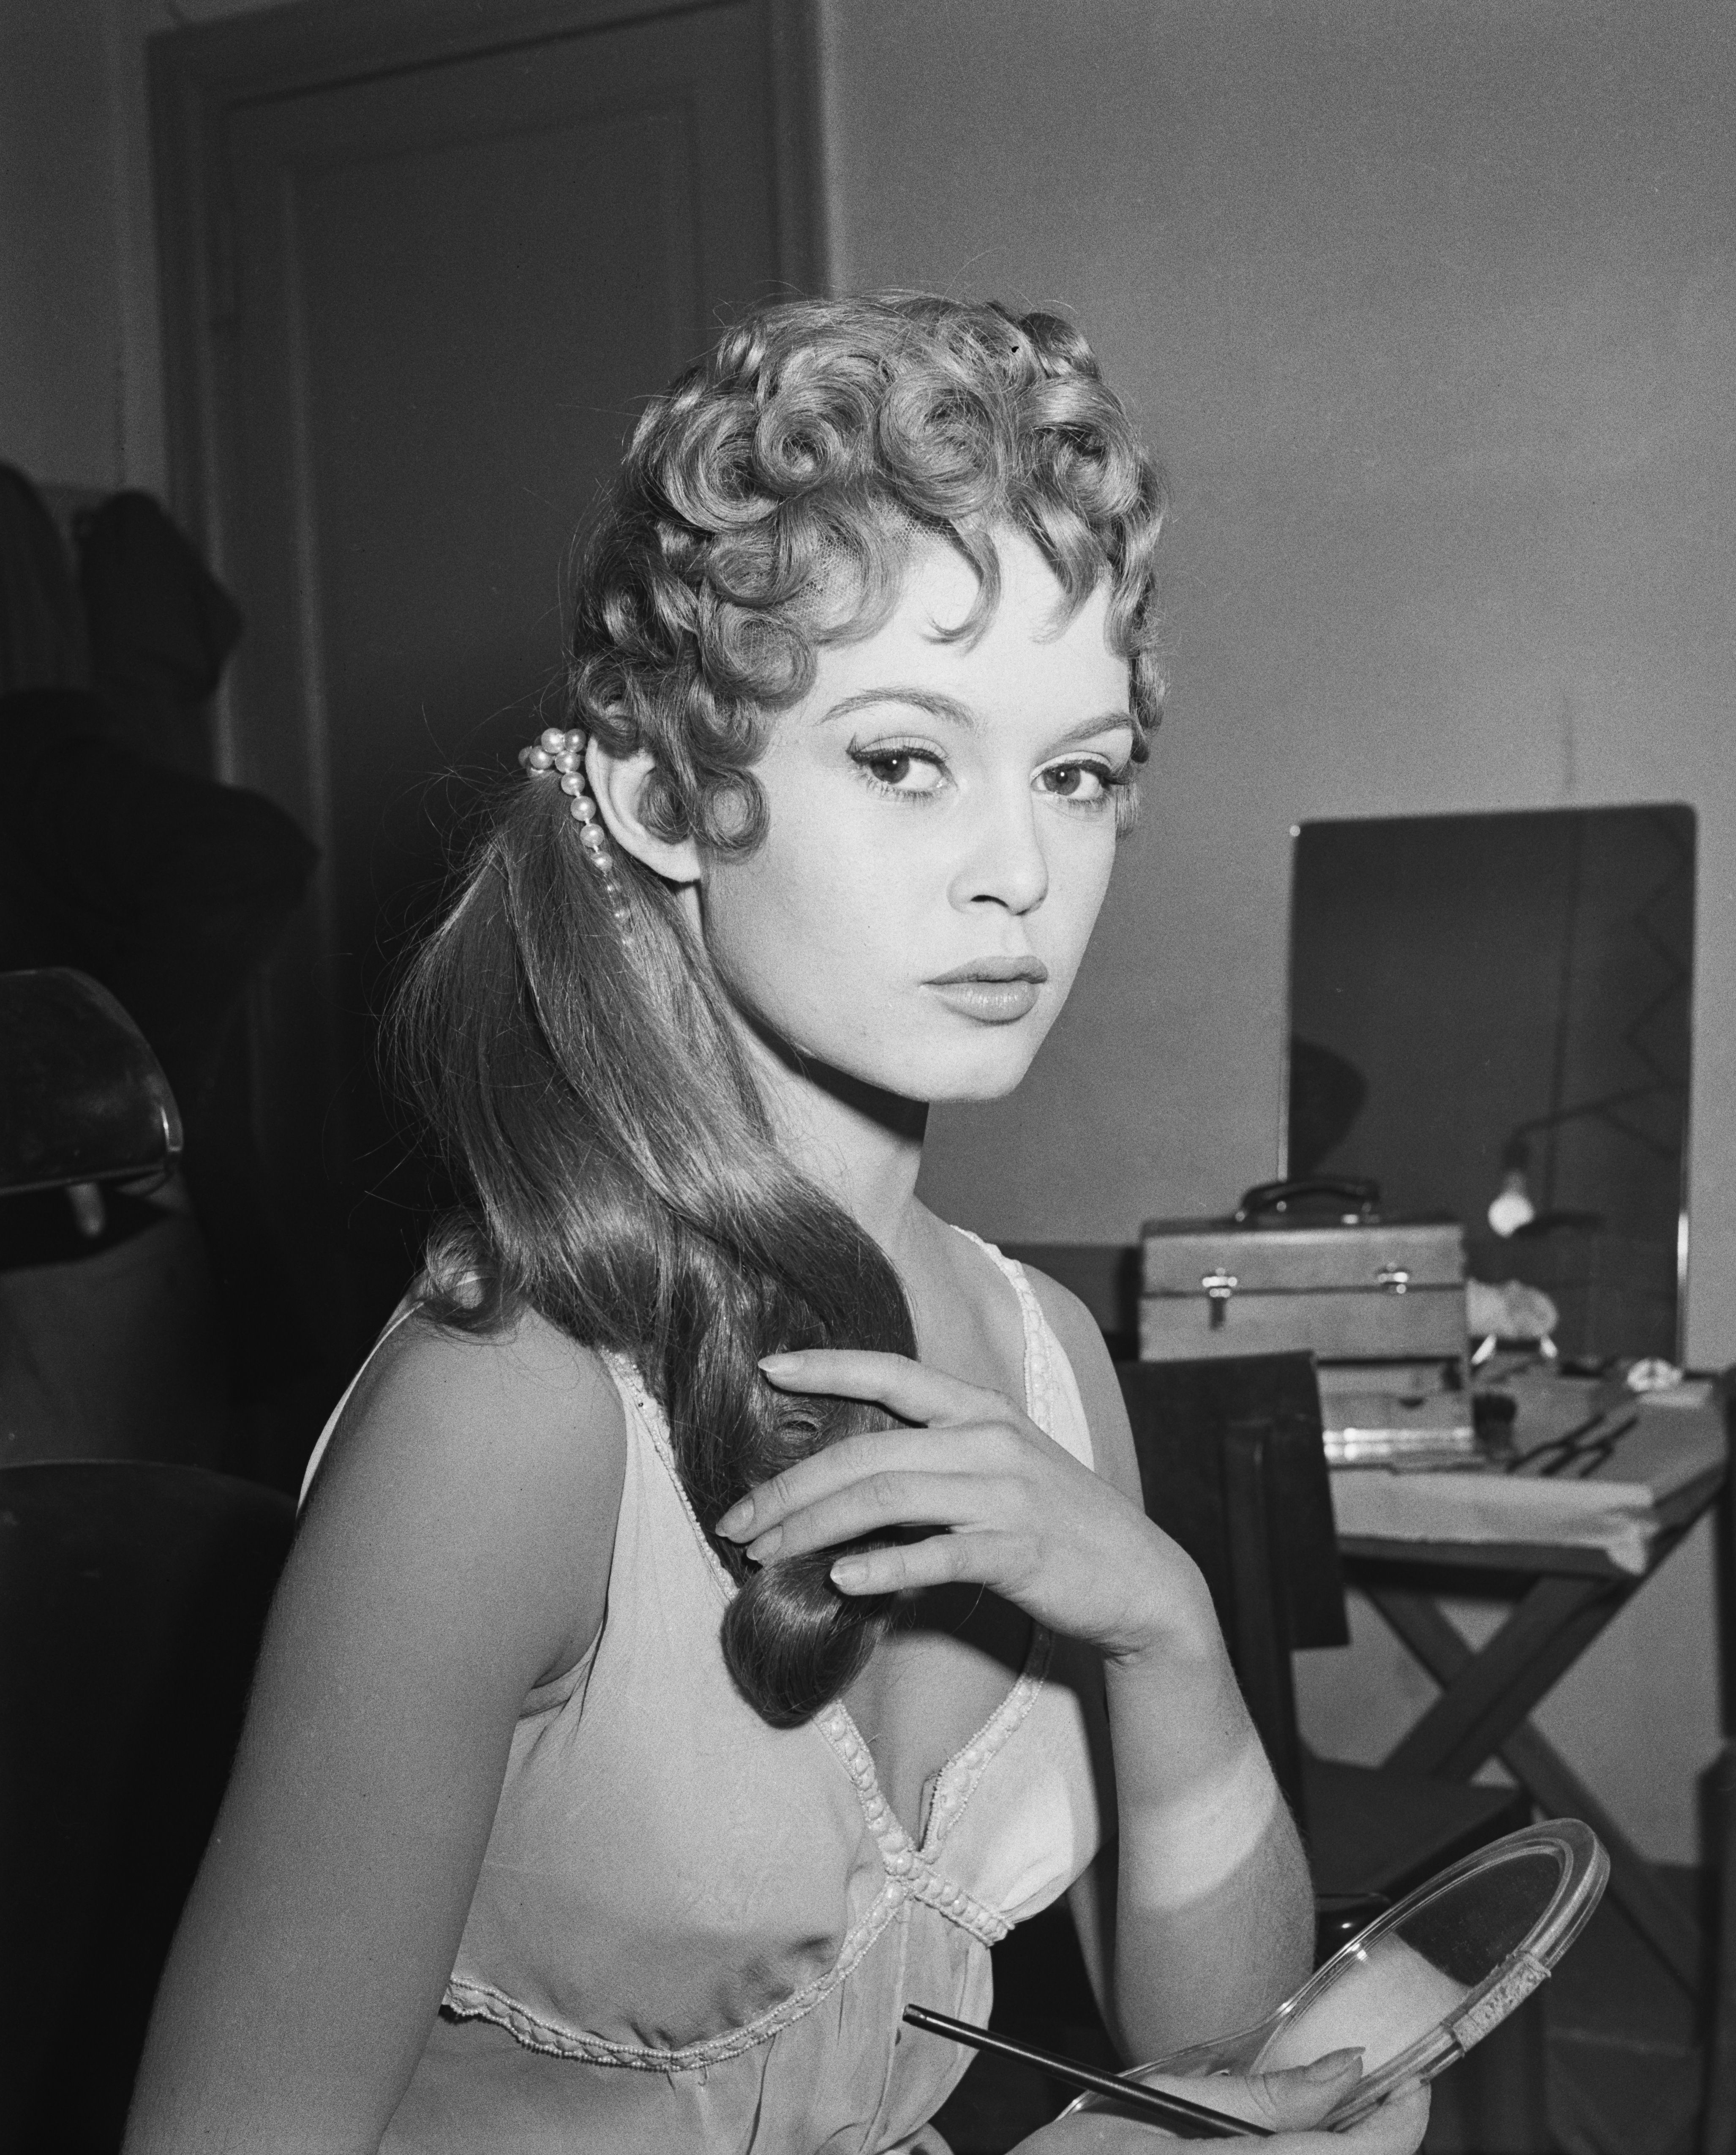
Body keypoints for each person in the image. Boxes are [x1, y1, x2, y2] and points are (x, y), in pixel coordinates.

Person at [123, 295, 1428, 2154]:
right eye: (907, 759)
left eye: (1075, 774)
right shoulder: (511, 1421)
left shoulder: (1045, 1364)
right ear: (663, 793)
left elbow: (1228, 2058)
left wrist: (1167, 1632)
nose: (1019, 871)